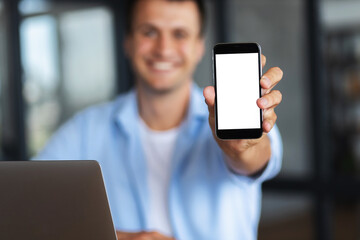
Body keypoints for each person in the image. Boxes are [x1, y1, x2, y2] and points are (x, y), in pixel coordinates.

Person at [36, 0, 283, 239]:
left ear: (199, 46)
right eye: (149, 32)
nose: (164, 49)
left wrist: (241, 147)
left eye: (179, 34)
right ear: (128, 41)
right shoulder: (84, 130)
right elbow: (26, 206)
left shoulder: (249, 119)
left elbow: (253, 158)